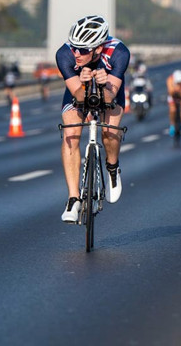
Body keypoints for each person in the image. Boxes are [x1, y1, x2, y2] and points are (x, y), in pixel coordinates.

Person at [57, 15, 130, 223]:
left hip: (109, 86)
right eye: (75, 47)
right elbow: (79, 98)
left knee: (109, 131)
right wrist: (82, 84)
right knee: (70, 133)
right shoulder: (64, 54)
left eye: (83, 50)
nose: (77, 54)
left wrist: (104, 85)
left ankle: (113, 168)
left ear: (98, 48)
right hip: (79, 87)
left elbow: (107, 98)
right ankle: (73, 198)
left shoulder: (119, 53)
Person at [166, 69, 181, 136]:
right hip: (173, 95)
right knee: (172, 109)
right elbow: (170, 91)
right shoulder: (170, 80)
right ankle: (172, 125)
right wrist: (174, 92)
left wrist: (180, 93)